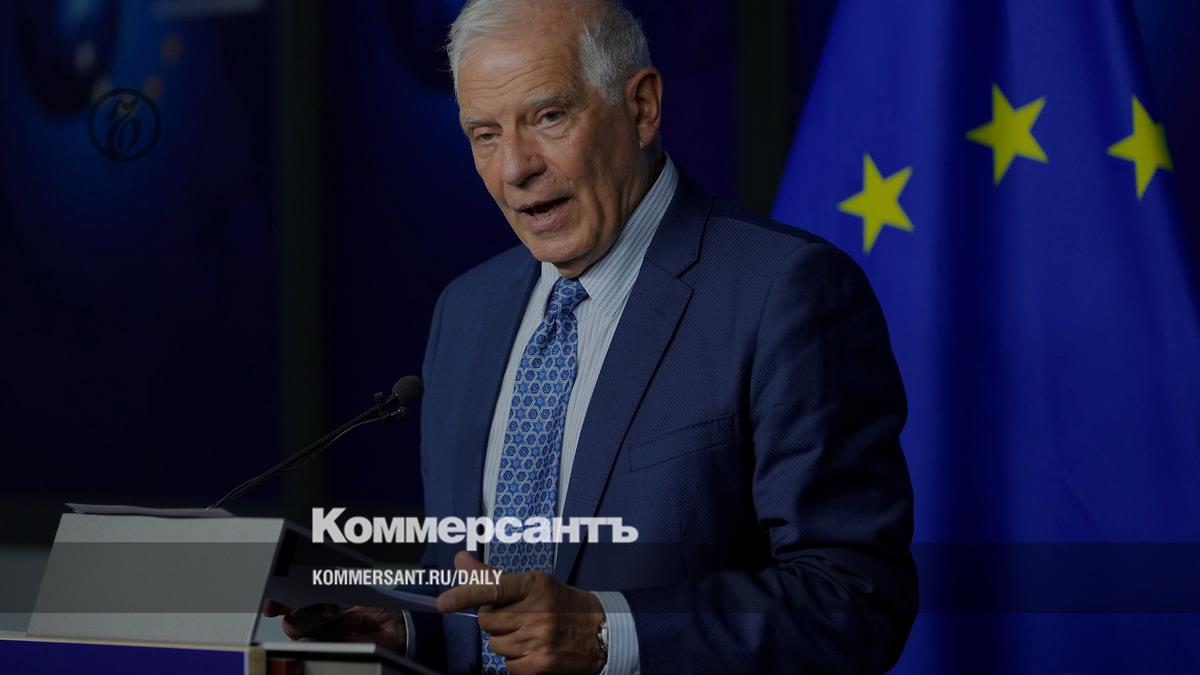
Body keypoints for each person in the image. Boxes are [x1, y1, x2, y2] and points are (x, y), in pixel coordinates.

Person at [267, 1, 917, 673]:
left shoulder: (784, 292)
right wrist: (407, 628)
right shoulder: (466, 310)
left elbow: (853, 600)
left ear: (642, 108)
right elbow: (474, 595)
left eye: (548, 117)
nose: (515, 167)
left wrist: (608, 633)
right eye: (485, 134)